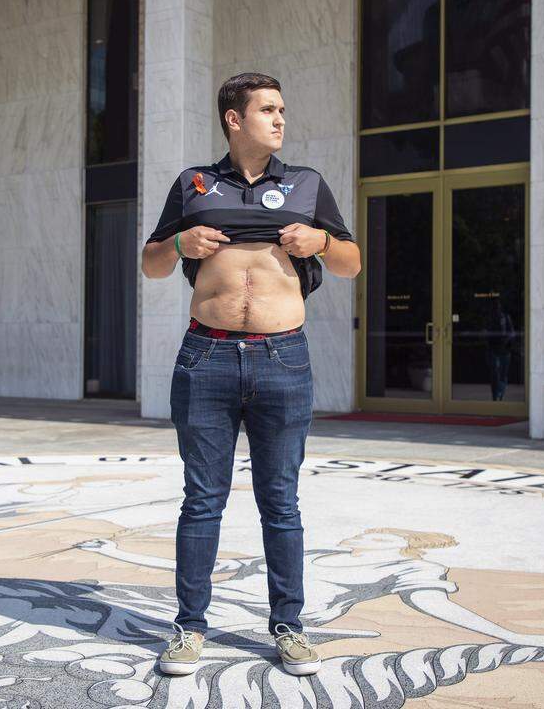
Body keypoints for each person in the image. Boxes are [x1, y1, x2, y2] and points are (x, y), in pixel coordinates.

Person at [139, 72, 362, 676]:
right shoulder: (194, 184)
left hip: (282, 358)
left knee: (280, 501)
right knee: (201, 500)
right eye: (268, 109)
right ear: (234, 119)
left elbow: (351, 262)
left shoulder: (306, 183)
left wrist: (320, 241)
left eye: (282, 109)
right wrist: (180, 244)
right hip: (206, 357)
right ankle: (189, 628)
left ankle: (289, 626)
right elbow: (152, 264)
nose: (280, 119)